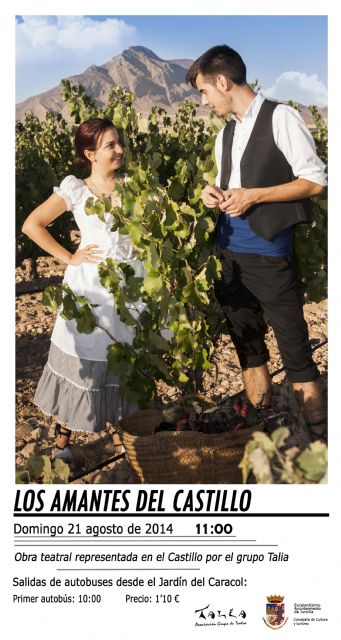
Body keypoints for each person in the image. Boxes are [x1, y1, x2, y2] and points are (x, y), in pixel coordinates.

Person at [186, 45, 327, 441]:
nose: (203, 101)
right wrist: (211, 193)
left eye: (203, 91)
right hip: (228, 255)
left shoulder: (281, 118)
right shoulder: (226, 133)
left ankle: (317, 442)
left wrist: (255, 195)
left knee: (296, 354)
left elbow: (315, 181)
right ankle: (258, 432)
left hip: (269, 255)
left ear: (222, 81)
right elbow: (231, 185)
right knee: (248, 349)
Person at [22, 118, 144, 462]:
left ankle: (121, 437)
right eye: (110, 145)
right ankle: (63, 442)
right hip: (89, 291)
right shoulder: (76, 189)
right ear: (90, 153)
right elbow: (33, 225)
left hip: (128, 292)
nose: (119, 149)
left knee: (118, 366)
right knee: (83, 365)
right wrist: (69, 258)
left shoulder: (133, 186)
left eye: (118, 142)